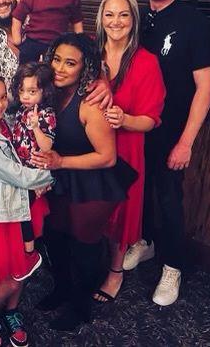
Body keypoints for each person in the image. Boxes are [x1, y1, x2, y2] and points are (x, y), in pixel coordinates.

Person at [123, 0, 210, 306]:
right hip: (136, 126)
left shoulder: (193, 22)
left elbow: (206, 87)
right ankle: (145, 242)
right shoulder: (138, 19)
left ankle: (173, 266)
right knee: (138, 190)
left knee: (168, 197)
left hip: (172, 131)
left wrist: (186, 142)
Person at [31, 33, 133, 331]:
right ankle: (62, 289)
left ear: (84, 67)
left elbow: (107, 157)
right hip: (60, 177)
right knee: (55, 237)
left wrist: (61, 162)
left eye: (70, 63)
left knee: (84, 246)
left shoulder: (91, 103)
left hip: (93, 181)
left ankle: (80, 306)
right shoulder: (49, 92)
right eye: (56, 59)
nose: (60, 68)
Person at [0, 71, 53, 347]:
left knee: (21, 270)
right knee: (11, 278)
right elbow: (19, 176)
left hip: (20, 207)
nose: (0, 104)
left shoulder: (4, 122)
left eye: (3, 97)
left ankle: (11, 311)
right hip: (1, 217)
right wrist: (52, 175)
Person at [91, 0, 165, 303]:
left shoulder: (146, 62)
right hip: (88, 146)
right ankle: (88, 263)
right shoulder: (89, 52)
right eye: (109, 14)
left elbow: (150, 120)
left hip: (126, 149)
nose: (116, 21)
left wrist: (125, 119)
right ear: (100, 19)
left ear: (133, 19)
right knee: (89, 208)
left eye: (123, 15)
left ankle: (115, 271)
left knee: (119, 214)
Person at [10, 62, 57, 279]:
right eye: (22, 91)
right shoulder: (22, 109)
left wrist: (36, 126)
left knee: (23, 212)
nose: (25, 96)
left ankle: (29, 254)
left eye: (32, 91)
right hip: (21, 170)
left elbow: (46, 146)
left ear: (44, 91)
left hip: (34, 171)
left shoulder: (46, 114)